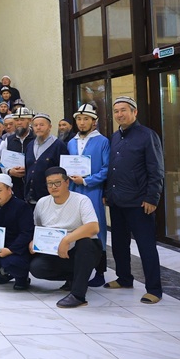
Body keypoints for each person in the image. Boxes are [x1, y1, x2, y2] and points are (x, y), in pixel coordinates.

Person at [105, 96, 165, 304]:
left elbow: (156, 169)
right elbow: (112, 169)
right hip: (117, 200)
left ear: (134, 112)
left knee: (146, 246)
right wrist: (107, 193)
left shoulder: (147, 135)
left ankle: (154, 289)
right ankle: (124, 278)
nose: (119, 114)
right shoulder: (115, 137)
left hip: (139, 202)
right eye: (116, 111)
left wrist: (152, 197)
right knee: (119, 244)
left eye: (123, 110)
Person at [30, 167, 102, 308]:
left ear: (67, 182)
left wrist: (67, 240)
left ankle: (78, 295)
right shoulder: (42, 203)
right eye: (50, 183)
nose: (53, 187)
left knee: (85, 243)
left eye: (57, 182)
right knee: (37, 268)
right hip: (56, 252)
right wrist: (34, 242)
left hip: (82, 252)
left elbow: (93, 227)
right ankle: (74, 278)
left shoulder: (81, 200)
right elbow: (38, 229)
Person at [66, 104, 109, 287]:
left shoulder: (102, 141)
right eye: (79, 119)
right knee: (73, 227)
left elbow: (106, 168)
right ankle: (73, 272)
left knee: (96, 229)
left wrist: (86, 180)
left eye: (86, 119)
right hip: (73, 191)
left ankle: (100, 272)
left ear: (94, 122)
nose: (82, 123)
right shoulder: (71, 142)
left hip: (92, 190)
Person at [24, 114, 69, 205]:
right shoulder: (30, 145)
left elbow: (64, 172)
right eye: (35, 125)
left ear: (49, 127)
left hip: (50, 198)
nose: (38, 127)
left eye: (41, 125)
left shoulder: (59, 145)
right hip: (30, 197)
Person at [0, 107, 35, 200]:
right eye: (16, 120)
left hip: (33, 186)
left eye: (22, 119)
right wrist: (9, 171)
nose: (19, 122)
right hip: (15, 186)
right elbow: (2, 164)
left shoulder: (36, 139)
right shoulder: (8, 140)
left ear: (30, 120)